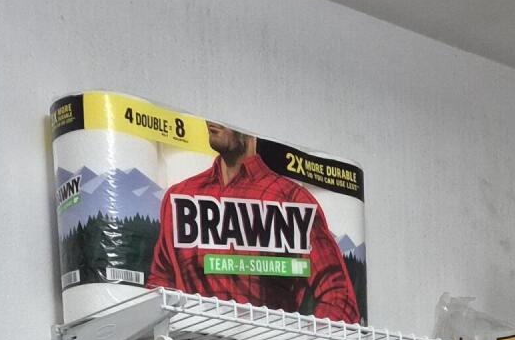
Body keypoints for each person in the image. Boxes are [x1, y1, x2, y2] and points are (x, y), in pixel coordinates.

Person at [147, 123, 360, 321]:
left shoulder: (291, 200)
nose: (212, 121)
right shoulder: (180, 197)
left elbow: (338, 297)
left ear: (249, 127)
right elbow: (161, 280)